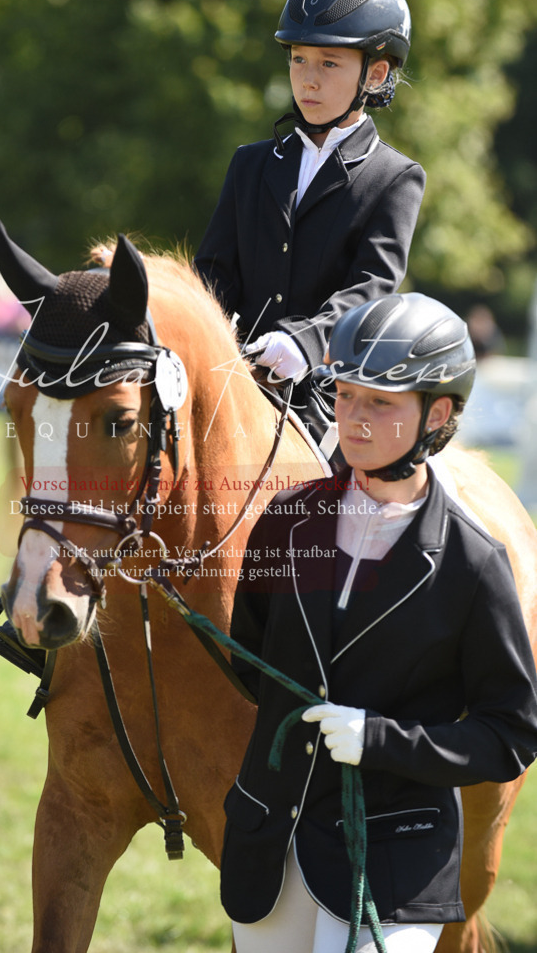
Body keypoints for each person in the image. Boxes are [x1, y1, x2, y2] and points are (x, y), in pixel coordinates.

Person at [221, 293, 537, 953]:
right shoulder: (286, 522)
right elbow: (252, 660)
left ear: (440, 413)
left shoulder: (474, 563)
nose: (354, 419)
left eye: (381, 402)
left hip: (394, 857)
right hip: (269, 845)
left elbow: (508, 736)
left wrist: (381, 741)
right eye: (344, 396)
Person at [194, 0, 426, 445]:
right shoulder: (251, 164)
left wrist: (306, 340)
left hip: (329, 394)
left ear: (375, 73)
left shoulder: (395, 178)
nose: (308, 80)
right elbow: (213, 274)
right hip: (235, 377)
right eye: (299, 61)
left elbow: (371, 288)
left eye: (329, 64)